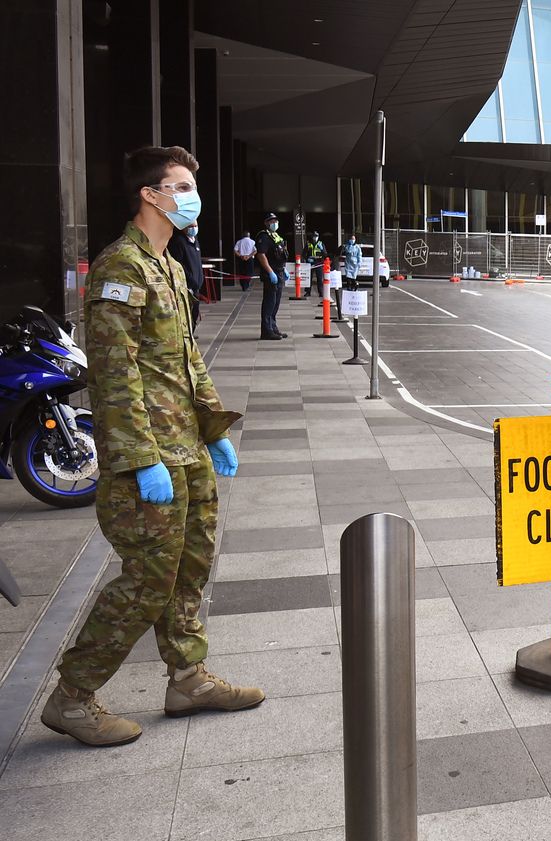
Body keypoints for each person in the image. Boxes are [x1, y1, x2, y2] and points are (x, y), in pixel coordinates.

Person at [40, 145, 264, 747]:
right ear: (151, 194)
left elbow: (186, 358)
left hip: (186, 445)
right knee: (148, 580)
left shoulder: (167, 264)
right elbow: (115, 376)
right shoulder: (122, 268)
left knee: (190, 566)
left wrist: (213, 430)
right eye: (183, 185)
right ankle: (73, 695)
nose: (194, 196)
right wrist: (141, 460)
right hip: (150, 457)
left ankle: (187, 678)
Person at [255, 212, 289, 340]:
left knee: (276, 302)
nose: (274, 223)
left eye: (275, 221)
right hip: (271, 274)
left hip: (279, 271)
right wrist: (270, 271)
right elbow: (261, 254)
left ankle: (273, 327)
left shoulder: (275, 236)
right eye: (271, 221)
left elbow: (280, 255)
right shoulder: (264, 237)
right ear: (266, 223)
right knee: (269, 302)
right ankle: (266, 331)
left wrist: (284, 269)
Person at [168, 222, 203, 327]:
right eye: (191, 226)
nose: (193, 229)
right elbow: (179, 264)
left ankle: (192, 331)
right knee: (187, 312)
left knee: (195, 311)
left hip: (196, 285)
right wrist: (191, 279)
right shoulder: (179, 242)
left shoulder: (195, 241)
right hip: (187, 285)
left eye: (195, 226)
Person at [339, 234, 362, 320]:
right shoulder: (347, 246)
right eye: (351, 239)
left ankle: (354, 286)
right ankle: (349, 287)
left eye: (353, 239)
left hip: (355, 264)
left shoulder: (357, 248)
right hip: (348, 263)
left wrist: (359, 263)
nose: (352, 240)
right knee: (348, 276)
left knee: (353, 277)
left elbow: (359, 256)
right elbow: (344, 252)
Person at [303, 230, 328, 298]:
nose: (315, 237)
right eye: (314, 236)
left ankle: (321, 292)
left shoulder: (321, 244)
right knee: (309, 278)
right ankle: (308, 292)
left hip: (318, 263)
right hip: (310, 263)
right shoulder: (308, 244)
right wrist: (307, 258)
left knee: (320, 278)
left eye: (316, 236)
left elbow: (325, 255)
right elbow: (304, 254)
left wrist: (322, 249)